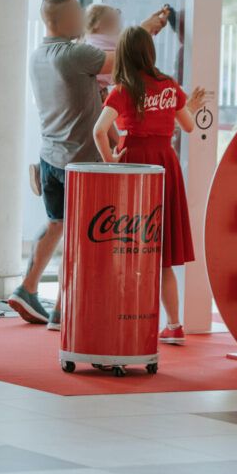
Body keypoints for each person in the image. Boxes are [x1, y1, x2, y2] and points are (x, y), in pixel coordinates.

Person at [10, 0, 166, 329]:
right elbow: (121, 59)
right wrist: (148, 29)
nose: (83, 18)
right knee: (83, 238)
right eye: (78, 13)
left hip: (51, 155)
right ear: (66, 18)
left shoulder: (39, 55)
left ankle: (28, 287)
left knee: (56, 224)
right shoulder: (73, 54)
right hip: (81, 162)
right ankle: (62, 309)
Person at [92, 25, 206, 345]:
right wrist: (187, 107)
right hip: (165, 164)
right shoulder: (169, 85)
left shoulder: (123, 89)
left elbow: (99, 131)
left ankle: (124, 316)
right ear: (150, 52)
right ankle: (174, 324)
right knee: (163, 251)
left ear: (123, 54)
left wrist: (110, 162)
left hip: (134, 164)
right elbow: (189, 126)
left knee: (129, 244)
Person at [83, 3, 121, 96]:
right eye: (112, 20)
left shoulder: (112, 44)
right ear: (97, 24)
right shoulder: (92, 49)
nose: (118, 27)